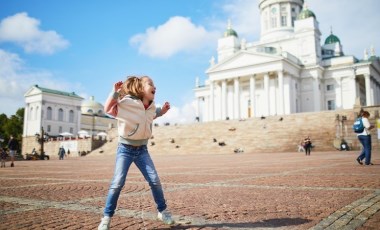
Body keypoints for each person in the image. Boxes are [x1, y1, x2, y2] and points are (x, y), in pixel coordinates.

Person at [98, 76, 173, 230]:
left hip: (142, 150)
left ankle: (162, 211)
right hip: (125, 149)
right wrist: (114, 93)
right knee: (118, 182)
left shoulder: (151, 106)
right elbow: (108, 109)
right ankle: (106, 217)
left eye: (154, 84)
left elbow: (154, 114)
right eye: (150, 84)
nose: (154, 87)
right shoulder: (127, 103)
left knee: (154, 180)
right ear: (140, 88)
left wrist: (163, 111)